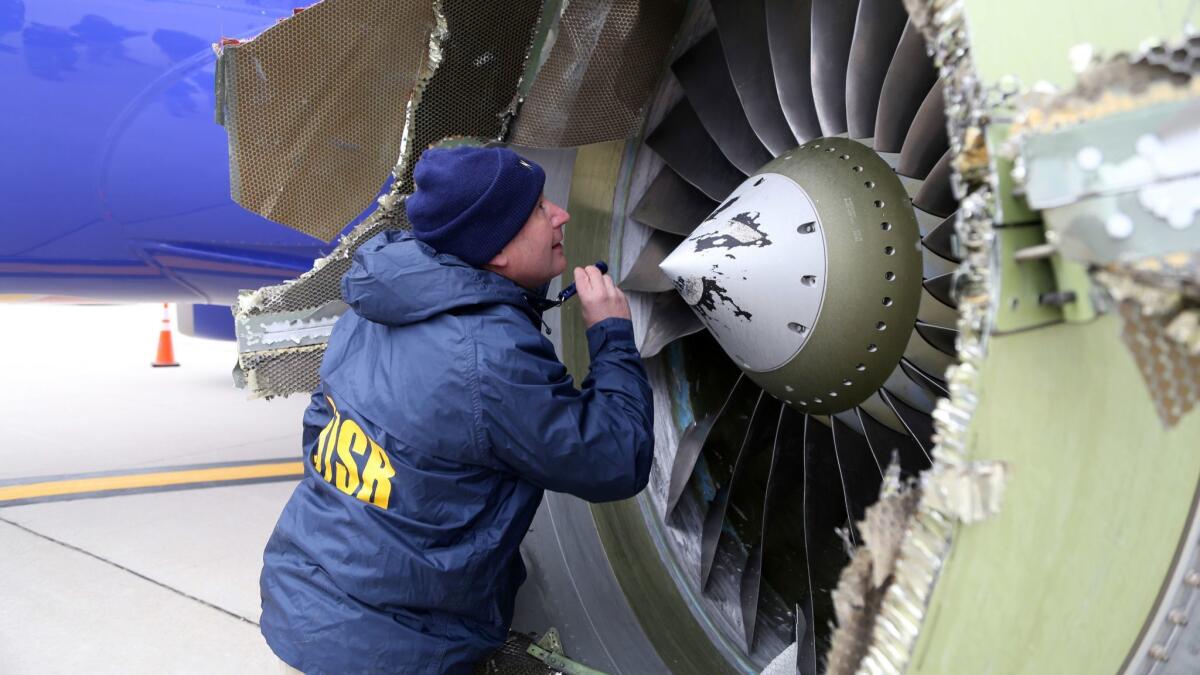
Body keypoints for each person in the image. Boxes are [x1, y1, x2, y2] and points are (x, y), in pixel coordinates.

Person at [259, 145, 654, 674]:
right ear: (494, 250)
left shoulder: (377, 299)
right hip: (393, 649)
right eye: (538, 209)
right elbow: (616, 459)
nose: (560, 214)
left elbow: (321, 424)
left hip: (305, 596)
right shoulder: (490, 355)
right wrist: (611, 336)